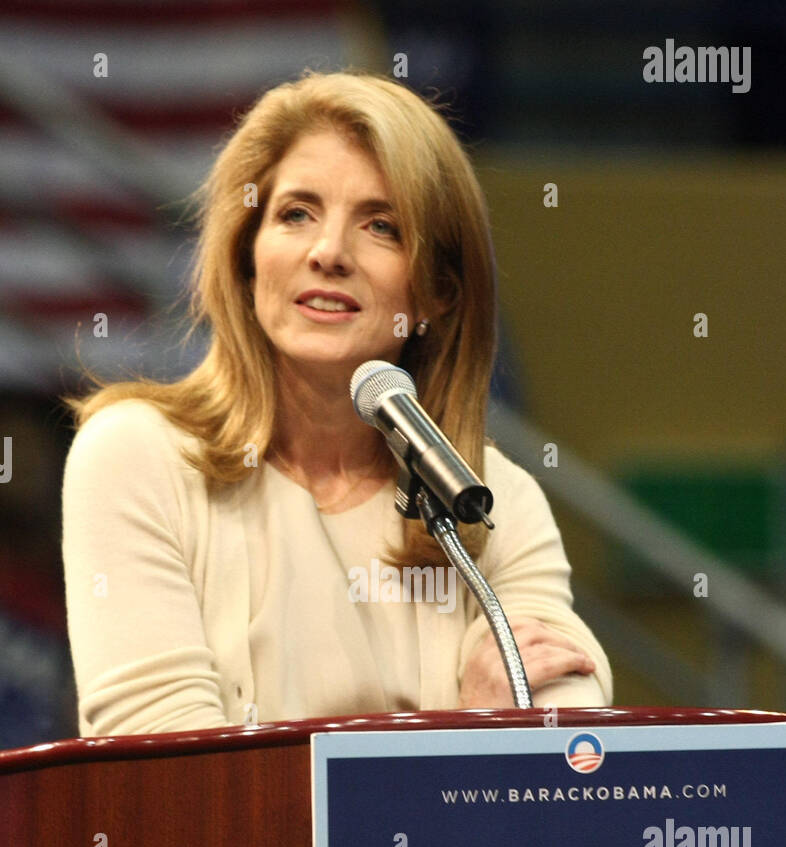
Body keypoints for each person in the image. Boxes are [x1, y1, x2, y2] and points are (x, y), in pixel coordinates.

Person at [63, 70, 612, 735]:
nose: (328, 253)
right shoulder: (136, 457)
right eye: (296, 213)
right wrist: (465, 725)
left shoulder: (490, 500)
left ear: (437, 290)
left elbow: (565, 746)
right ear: (246, 254)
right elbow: (172, 785)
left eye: (381, 227)